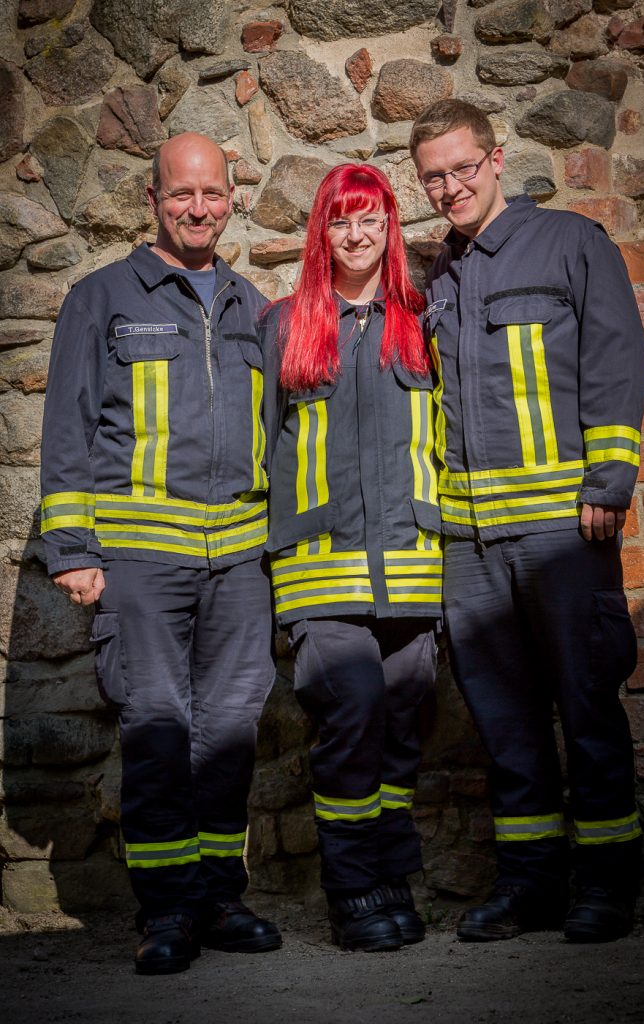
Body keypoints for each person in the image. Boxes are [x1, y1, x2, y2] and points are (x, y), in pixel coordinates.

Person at [40, 132, 281, 974]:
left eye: (213, 193)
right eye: (183, 194)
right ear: (154, 199)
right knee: (156, 726)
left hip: (242, 561)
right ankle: (167, 911)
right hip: (141, 557)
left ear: (230, 196)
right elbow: (67, 426)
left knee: (229, 729)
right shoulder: (103, 298)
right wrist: (72, 546)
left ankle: (219, 895)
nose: (199, 208)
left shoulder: (255, 307)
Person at [409, 99, 644, 943]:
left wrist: (610, 480)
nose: (450, 186)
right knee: (504, 722)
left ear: (495, 158)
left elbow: (616, 356)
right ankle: (531, 884)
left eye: (462, 167)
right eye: (433, 175)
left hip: (562, 533)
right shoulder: (439, 276)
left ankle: (608, 884)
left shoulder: (572, 245)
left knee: (585, 707)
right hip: (471, 549)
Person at [260, 164, 441, 952]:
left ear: (390, 228)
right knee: (355, 710)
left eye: (371, 220)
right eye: (341, 221)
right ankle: (353, 888)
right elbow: (258, 446)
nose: (357, 235)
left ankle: (392, 873)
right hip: (319, 573)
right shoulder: (283, 325)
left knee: (404, 723)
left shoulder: (421, 319)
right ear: (321, 233)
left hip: (410, 571)